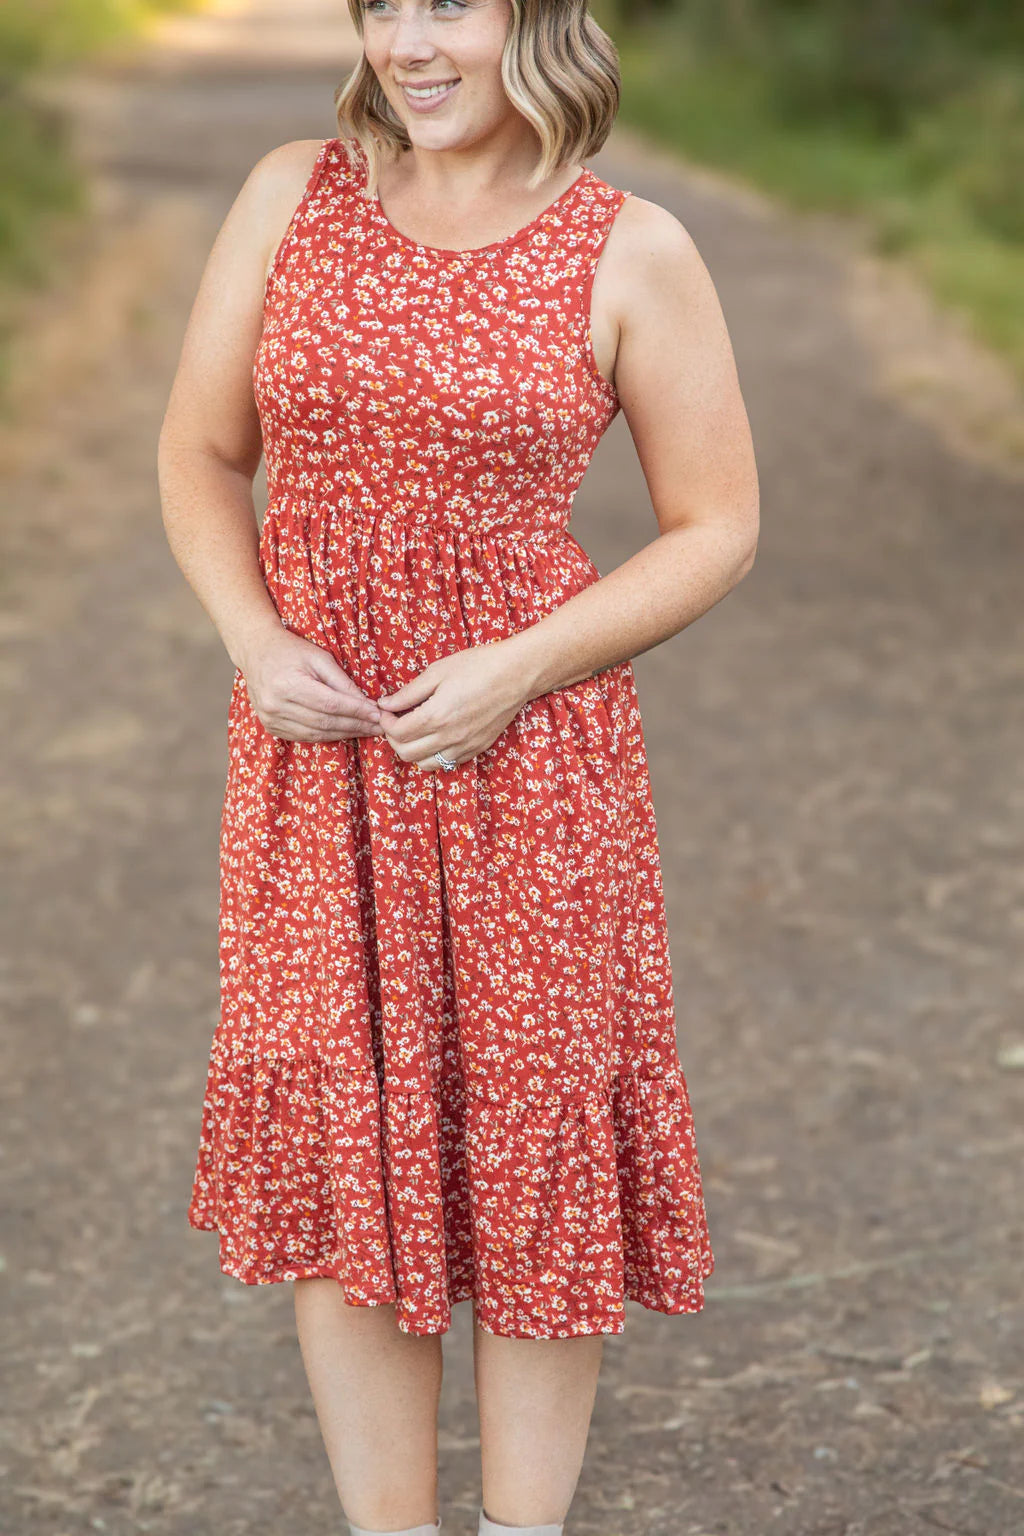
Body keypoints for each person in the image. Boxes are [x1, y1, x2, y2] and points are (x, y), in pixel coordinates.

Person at [157, 1, 759, 1532]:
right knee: (352, 1139)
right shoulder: (293, 192)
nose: (411, 42)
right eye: (383, 4)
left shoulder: (632, 246)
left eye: (452, 4)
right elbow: (200, 449)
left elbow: (717, 526)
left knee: (534, 1135)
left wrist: (521, 666)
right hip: (320, 762)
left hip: (529, 762)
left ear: (541, 19)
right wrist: (250, 634)